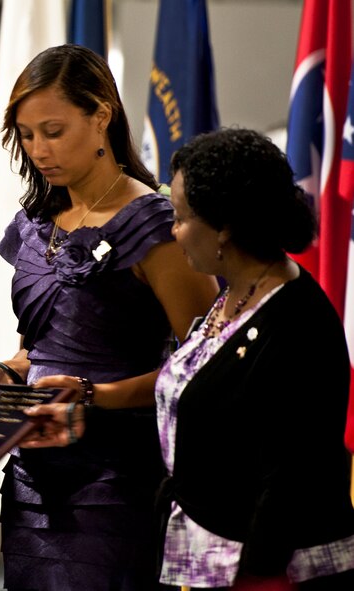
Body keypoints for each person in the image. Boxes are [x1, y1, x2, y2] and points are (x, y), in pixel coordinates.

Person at [0, 44, 219, 590]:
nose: (38, 149)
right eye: (26, 134)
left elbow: (205, 368)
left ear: (101, 115)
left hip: (115, 486)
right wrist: (9, 372)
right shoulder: (36, 223)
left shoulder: (155, 224)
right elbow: (34, 348)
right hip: (30, 479)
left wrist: (93, 394)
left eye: (54, 130)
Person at [151, 127, 354, 590]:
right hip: (202, 554)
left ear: (223, 225)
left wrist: (256, 569)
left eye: (181, 217)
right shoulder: (234, 294)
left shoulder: (299, 323)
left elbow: (292, 479)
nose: (173, 230)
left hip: (261, 572)